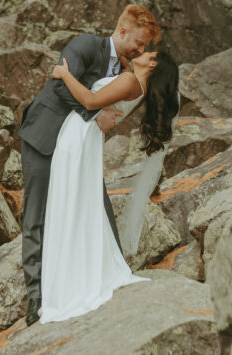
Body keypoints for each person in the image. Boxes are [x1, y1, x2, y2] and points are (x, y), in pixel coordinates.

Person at [19, 5, 160, 326]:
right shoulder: (83, 45)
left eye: (145, 46)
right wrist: (96, 113)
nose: (142, 50)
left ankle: (108, 270)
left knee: (97, 204)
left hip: (78, 150)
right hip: (44, 138)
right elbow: (58, 86)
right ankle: (37, 297)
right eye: (138, 42)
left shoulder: (125, 68)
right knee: (36, 214)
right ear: (122, 31)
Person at [38, 48, 179, 324]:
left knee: (71, 204)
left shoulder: (130, 82)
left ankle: (69, 284)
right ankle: (77, 274)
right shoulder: (135, 82)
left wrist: (66, 75)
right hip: (84, 138)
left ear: (152, 64)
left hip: (80, 136)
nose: (143, 49)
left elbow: (90, 101)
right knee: (79, 205)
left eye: (149, 51)